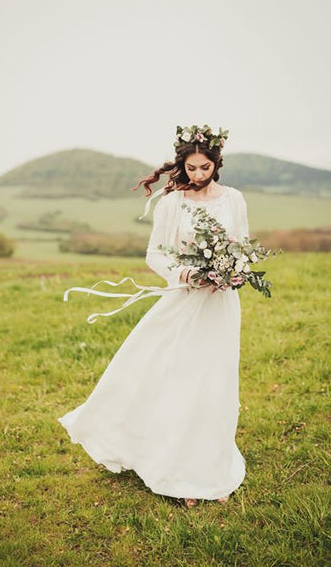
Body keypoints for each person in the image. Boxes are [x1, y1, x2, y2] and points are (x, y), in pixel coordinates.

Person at [57, 124, 249, 508]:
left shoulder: (234, 199)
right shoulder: (171, 202)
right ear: (183, 165)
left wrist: (236, 272)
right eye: (191, 168)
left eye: (204, 168)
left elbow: (242, 245)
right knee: (179, 381)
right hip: (184, 300)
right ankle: (177, 473)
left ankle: (210, 470)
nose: (197, 175)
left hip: (221, 305)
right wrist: (187, 274)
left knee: (215, 383)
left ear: (217, 164)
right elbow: (155, 254)